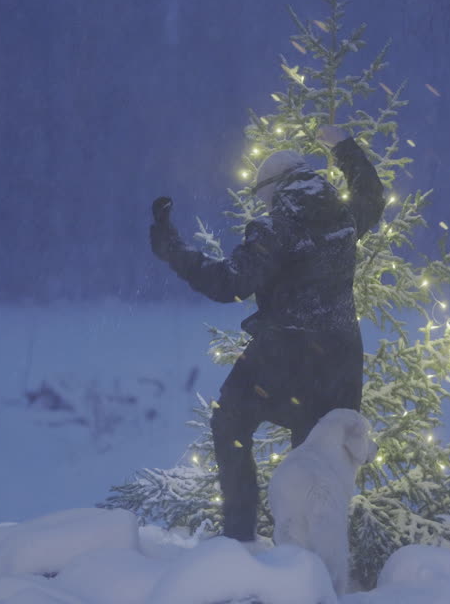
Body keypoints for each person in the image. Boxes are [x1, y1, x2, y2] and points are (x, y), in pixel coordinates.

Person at [149, 125, 385, 543]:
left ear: (275, 189)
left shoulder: (276, 229)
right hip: (341, 364)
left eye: (262, 196)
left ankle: (240, 538)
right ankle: (310, 563)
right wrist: (343, 146)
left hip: (284, 357)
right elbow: (371, 193)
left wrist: (171, 247)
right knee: (316, 467)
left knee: (229, 422)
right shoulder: (344, 219)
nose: (263, 204)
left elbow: (228, 283)